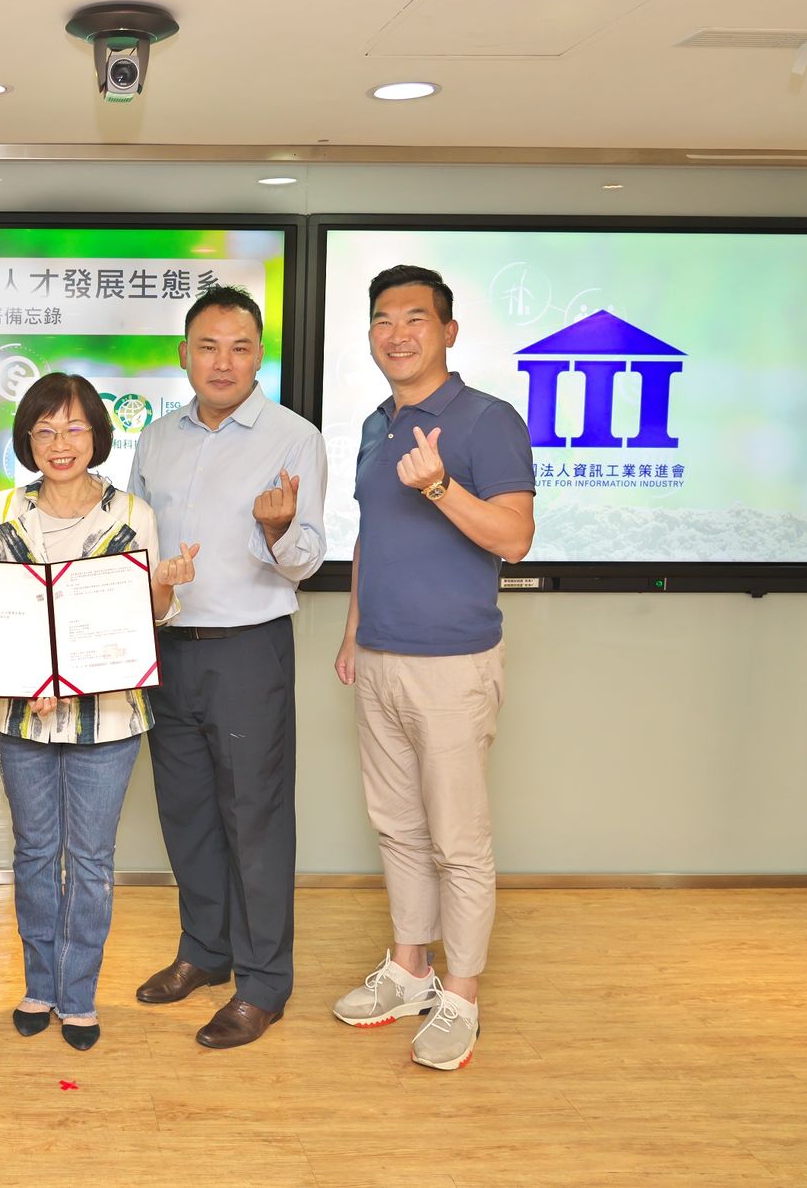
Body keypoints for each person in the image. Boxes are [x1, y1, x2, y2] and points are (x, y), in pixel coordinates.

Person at [330, 265, 535, 1071]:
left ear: (448, 331)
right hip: (379, 657)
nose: (398, 333)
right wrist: (353, 631)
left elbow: (515, 538)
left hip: (453, 664)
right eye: (383, 319)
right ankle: (411, 969)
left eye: (415, 318)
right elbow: (369, 538)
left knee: (458, 841)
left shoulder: (488, 420)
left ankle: (462, 996)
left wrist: (442, 485)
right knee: (398, 827)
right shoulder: (376, 424)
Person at [128, 285, 327, 1049]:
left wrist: (278, 531)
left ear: (259, 356)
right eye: (208, 347)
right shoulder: (156, 439)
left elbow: (306, 559)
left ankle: (264, 981)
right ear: (184, 354)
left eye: (240, 348)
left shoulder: (292, 437)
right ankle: (204, 951)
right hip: (166, 647)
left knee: (256, 819)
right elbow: (134, 545)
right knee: (186, 812)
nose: (223, 362)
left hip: (248, 651)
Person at [0, 373, 196, 1052]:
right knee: (35, 852)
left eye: (73, 427)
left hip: (110, 718)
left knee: (92, 861)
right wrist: (29, 677)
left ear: (98, 434)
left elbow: (146, 621)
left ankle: (79, 996)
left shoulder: (132, 514)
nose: (60, 442)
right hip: (21, 715)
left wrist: (164, 588)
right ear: (27, 440)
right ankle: (39, 986)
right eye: (44, 430)